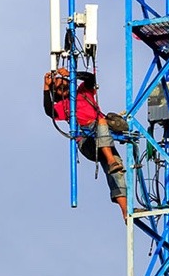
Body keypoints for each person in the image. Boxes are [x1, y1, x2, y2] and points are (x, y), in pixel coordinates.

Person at [43, 67, 128, 217]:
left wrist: (72, 74)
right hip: (87, 141)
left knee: (117, 173)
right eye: (57, 86)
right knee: (103, 127)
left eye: (62, 82)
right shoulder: (63, 106)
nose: (61, 86)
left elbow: (90, 79)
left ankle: (125, 212)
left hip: (102, 136)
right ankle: (110, 160)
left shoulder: (84, 92)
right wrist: (45, 87)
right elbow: (49, 110)